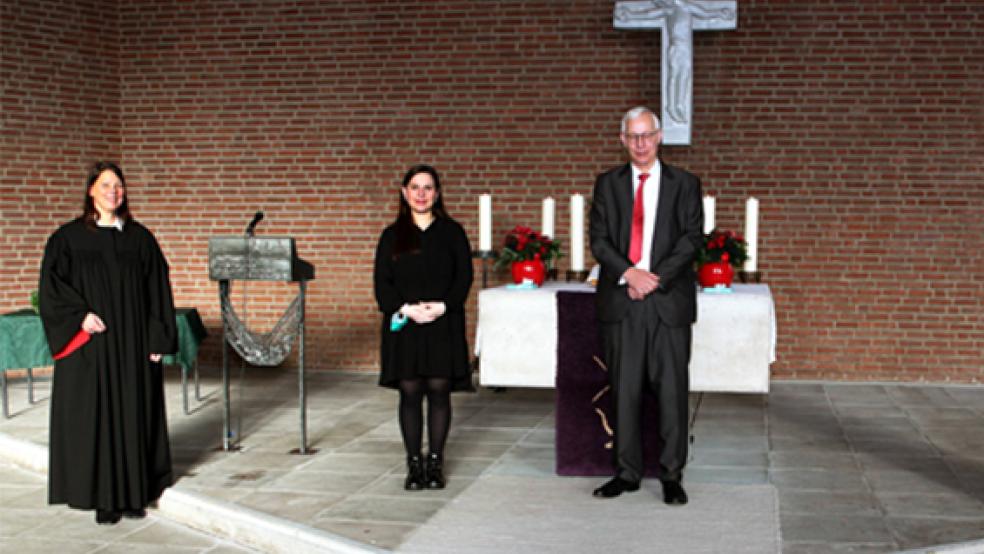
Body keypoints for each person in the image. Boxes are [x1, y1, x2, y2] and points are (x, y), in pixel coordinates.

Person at [38, 161, 177, 524]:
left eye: (118, 186)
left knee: (134, 413)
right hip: (93, 346)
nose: (112, 192)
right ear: (91, 191)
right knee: (96, 417)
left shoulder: (140, 238)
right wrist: (80, 316)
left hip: (132, 343)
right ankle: (104, 498)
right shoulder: (67, 239)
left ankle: (135, 494)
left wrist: (158, 336)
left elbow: (157, 289)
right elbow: (51, 289)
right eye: (105, 186)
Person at [588, 107, 703, 505]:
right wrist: (629, 274)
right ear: (622, 139)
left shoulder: (685, 184)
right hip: (622, 300)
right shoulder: (607, 184)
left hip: (668, 301)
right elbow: (599, 240)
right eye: (632, 136)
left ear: (659, 137)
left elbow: (691, 239)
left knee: (672, 391)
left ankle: (672, 474)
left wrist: (653, 278)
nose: (640, 143)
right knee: (624, 391)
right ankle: (627, 472)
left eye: (647, 135)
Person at [373, 164, 474, 491]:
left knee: (440, 389)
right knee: (411, 391)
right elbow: (381, 283)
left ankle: (436, 462)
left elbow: (464, 277)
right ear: (404, 192)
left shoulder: (452, 232)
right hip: (406, 324)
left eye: (427, 187)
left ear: (437, 193)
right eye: (414, 187)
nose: (421, 194)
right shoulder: (392, 235)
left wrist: (443, 306)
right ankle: (414, 464)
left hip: (443, 322)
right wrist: (406, 309)